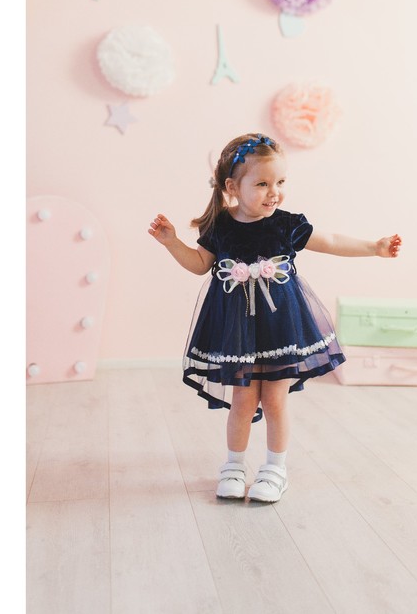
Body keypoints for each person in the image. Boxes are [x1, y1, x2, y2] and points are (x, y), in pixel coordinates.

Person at [148, 133, 401, 503]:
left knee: (276, 400)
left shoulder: (287, 224)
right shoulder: (220, 226)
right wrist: (172, 242)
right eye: (263, 184)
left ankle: (275, 469)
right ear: (233, 187)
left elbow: (330, 241)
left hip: (281, 326)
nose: (275, 192)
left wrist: (373, 248)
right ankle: (234, 466)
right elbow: (200, 264)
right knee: (243, 400)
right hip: (238, 331)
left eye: (280, 182)